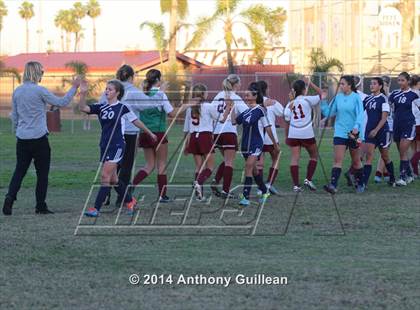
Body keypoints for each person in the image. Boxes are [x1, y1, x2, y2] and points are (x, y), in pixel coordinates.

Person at [3, 61, 81, 216]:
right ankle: (40, 206)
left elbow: (15, 116)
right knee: (42, 174)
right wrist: (74, 87)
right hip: (39, 139)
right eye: (42, 72)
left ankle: (9, 199)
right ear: (37, 73)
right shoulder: (39, 91)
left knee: (19, 171)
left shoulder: (17, 91)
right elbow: (62, 102)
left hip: (22, 138)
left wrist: (19, 130)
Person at [79, 79, 157, 217]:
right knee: (114, 180)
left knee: (105, 176)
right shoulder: (101, 107)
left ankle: (96, 208)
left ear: (118, 92)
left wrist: (149, 132)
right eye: (106, 89)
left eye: (110, 89)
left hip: (117, 145)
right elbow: (83, 108)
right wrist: (83, 94)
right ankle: (130, 200)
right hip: (104, 146)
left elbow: (136, 121)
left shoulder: (123, 108)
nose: (107, 91)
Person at [99, 65, 162, 206]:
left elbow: (100, 106)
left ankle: (105, 195)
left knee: (112, 166)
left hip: (111, 133)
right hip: (129, 133)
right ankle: (122, 199)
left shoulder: (109, 89)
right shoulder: (133, 91)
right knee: (126, 166)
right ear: (131, 77)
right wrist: (157, 90)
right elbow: (149, 104)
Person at [230, 82, 279, 206]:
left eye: (248, 95)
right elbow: (234, 122)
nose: (246, 97)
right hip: (245, 145)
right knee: (254, 171)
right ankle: (264, 190)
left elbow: (268, 127)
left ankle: (245, 197)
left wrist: (275, 144)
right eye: (245, 95)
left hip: (256, 143)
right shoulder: (246, 111)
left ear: (255, 96)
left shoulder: (260, 110)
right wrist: (231, 109)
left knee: (248, 166)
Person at [131, 69, 176, 202]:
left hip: (144, 132)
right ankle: (163, 195)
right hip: (158, 132)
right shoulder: (160, 94)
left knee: (149, 165)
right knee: (162, 164)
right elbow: (171, 113)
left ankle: (131, 185)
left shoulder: (142, 93)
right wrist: (185, 107)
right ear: (158, 80)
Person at [183, 84, 231, 200]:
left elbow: (186, 129)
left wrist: (186, 145)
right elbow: (222, 119)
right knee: (210, 167)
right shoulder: (208, 106)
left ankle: (199, 195)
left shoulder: (190, 108)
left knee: (199, 167)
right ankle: (198, 183)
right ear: (204, 94)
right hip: (204, 136)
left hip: (194, 137)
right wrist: (228, 108)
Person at [321, 75, 365, 194]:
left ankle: (360, 183)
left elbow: (360, 114)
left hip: (353, 133)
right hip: (340, 132)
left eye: (342, 84)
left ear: (349, 85)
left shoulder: (356, 98)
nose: (340, 86)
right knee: (337, 160)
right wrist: (323, 100)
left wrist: (356, 127)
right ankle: (333, 185)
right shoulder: (338, 97)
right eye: (340, 84)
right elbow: (328, 112)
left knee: (356, 161)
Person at [210, 74, 248, 199]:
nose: (241, 85)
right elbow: (247, 112)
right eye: (239, 82)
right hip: (228, 131)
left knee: (226, 160)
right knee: (230, 162)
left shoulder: (217, 96)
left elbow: (212, 112)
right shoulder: (235, 97)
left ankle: (216, 181)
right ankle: (226, 191)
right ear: (235, 84)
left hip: (216, 132)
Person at [284, 77, 322, 192]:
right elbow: (322, 94)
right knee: (314, 156)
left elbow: (286, 117)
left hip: (294, 133)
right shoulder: (308, 99)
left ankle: (296, 185)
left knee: (295, 158)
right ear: (304, 89)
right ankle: (308, 179)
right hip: (306, 133)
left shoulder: (290, 103)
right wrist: (310, 83)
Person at [359, 77, 395, 190]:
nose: (371, 85)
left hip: (382, 132)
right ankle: (363, 184)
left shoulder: (384, 99)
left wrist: (376, 130)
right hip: (369, 131)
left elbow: (384, 118)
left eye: (374, 84)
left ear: (380, 86)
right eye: (371, 83)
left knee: (385, 156)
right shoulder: (368, 99)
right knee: (369, 156)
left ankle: (392, 178)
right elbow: (359, 112)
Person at [389, 72, 419, 186]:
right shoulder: (394, 94)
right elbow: (388, 105)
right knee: (402, 152)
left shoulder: (414, 95)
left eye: (402, 80)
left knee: (402, 150)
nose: (400, 82)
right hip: (397, 126)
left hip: (409, 125)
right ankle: (410, 175)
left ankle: (402, 178)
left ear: (408, 81)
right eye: (399, 80)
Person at [255, 80, 283, 195]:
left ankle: (260, 188)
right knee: (276, 159)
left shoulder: (252, 102)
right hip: (270, 137)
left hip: (257, 137)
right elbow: (283, 113)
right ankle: (268, 184)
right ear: (266, 89)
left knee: (259, 164)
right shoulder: (272, 102)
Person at [374, 75, 393, 183]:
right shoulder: (377, 97)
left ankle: (380, 173)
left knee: (384, 150)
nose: (384, 87)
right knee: (382, 151)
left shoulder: (390, 96)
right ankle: (384, 173)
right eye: (383, 84)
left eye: (386, 84)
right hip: (377, 126)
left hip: (389, 126)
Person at [409, 75, 420, 177]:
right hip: (418, 124)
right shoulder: (417, 94)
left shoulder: (407, 93)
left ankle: (415, 172)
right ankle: (412, 162)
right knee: (418, 150)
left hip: (409, 124)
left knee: (415, 150)